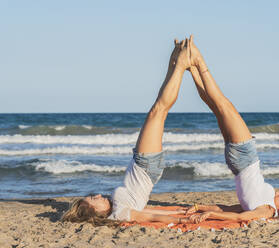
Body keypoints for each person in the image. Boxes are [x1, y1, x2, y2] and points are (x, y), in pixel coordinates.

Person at [61, 39, 193, 227]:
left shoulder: (118, 209)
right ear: (96, 211)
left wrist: (178, 210)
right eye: (93, 198)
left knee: (158, 109)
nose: (97, 194)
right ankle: (179, 65)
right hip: (145, 165)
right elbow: (149, 218)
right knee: (159, 110)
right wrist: (182, 219)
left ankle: (175, 61)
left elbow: (147, 211)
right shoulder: (120, 213)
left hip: (144, 165)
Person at [185, 35, 279, 223]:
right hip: (236, 162)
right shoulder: (261, 204)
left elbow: (239, 216)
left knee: (222, 103)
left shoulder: (267, 210)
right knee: (216, 107)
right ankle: (191, 68)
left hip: (245, 156)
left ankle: (198, 61)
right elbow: (228, 208)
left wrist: (210, 214)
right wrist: (201, 207)